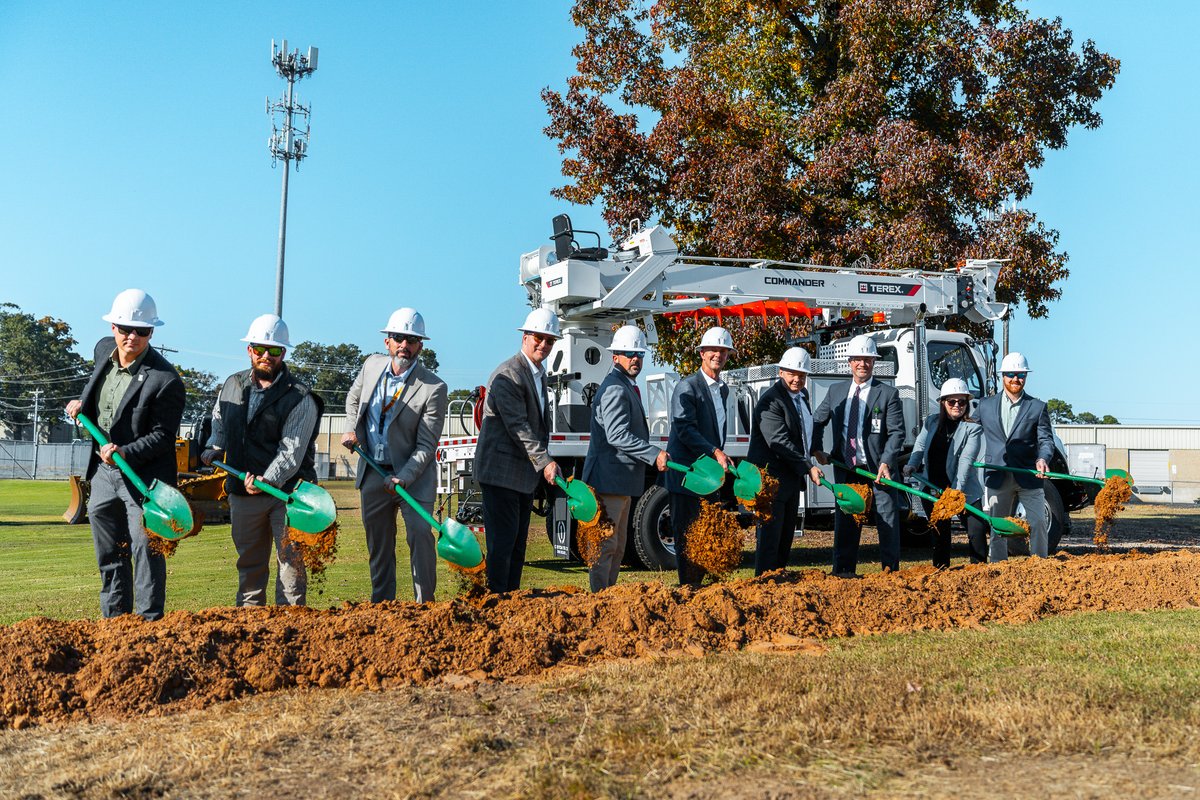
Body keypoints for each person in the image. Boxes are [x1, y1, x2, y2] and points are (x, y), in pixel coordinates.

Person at [66, 289, 185, 621]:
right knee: (110, 550)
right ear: (113, 326)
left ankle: (148, 625)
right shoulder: (104, 349)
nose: (132, 336)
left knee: (146, 549)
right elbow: (97, 391)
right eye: (124, 328)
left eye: (141, 331)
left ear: (152, 333)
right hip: (102, 475)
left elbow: (162, 437)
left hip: (143, 478)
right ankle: (115, 622)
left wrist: (124, 451)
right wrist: (81, 403)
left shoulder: (165, 380)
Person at [203, 314, 322, 607]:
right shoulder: (231, 385)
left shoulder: (300, 397)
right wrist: (213, 447)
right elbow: (220, 423)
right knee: (249, 566)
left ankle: (292, 633)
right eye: (259, 349)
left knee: (291, 567)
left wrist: (268, 481)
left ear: (284, 353)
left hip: (288, 493)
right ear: (249, 350)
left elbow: (291, 452)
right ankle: (250, 633)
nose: (266, 356)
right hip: (243, 492)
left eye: (275, 350)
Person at [341, 308, 448, 603]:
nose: (405, 345)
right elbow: (353, 398)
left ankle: (424, 607)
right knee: (379, 546)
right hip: (373, 471)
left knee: (419, 538)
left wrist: (404, 476)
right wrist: (351, 428)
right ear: (387, 341)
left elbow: (427, 445)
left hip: (413, 478)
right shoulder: (371, 366)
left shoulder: (434, 388)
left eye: (411, 340)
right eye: (399, 338)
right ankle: (383, 607)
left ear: (420, 346)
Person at [474, 307, 562, 593]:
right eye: (539, 337)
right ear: (525, 336)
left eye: (550, 340)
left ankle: (510, 601)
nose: (544, 345)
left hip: (520, 477)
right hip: (501, 475)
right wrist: (545, 462)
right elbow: (519, 427)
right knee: (502, 546)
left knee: (516, 547)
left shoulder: (537, 374)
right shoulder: (508, 374)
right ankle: (496, 604)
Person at [581, 325, 668, 591]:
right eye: (629, 354)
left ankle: (607, 599)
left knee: (616, 546)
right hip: (610, 481)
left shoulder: (623, 385)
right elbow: (617, 435)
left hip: (618, 481)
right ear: (615, 356)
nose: (635, 359)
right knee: (606, 545)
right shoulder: (616, 388)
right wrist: (654, 454)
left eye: (639, 354)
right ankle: (600, 600)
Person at [812, 334, 905, 576]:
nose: (862, 364)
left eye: (867, 359)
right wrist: (816, 449)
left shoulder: (887, 394)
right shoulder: (836, 392)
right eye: (857, 360)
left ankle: (890, 572)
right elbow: (817, 421)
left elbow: (897, 433)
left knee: (887, 521)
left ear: (874, 362)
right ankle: (843, 572)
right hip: (847, 468)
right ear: (850, 362)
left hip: (878, 470)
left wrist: (886, 461)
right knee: (846, 521)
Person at [746, 347, 824, 576]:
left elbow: (803, 431)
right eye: (792, 373)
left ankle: (779, 586)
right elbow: (779, 441)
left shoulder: (802, 397)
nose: (797, 379)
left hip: (790, 480)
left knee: (785, 538)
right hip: (771, 481)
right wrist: (808, 467)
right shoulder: (771, 401)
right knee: (770, 540)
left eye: (802, 375)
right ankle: (764, 585)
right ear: (781, 372)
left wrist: (814, 449)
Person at [666, 326, 734, 588]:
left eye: (723, 351)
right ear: (702, 353)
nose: (718, 355)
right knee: (687, 535)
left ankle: (701, 590)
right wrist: (716, 452)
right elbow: (684, 428)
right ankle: (687, 589)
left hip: (709, 476)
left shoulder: (723, 389)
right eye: (713, 350)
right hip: (689, 476)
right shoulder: (688, 386)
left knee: (706, 533)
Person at [977, 352, 1054, 560]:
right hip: (997, 474)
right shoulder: (985, 406)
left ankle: (1039, 564)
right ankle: (998, 567)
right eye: (1011, 374)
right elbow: (969, 433)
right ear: (1003, 376)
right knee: (997, 526)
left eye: (1020, 375)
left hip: (1028, 476)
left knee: (1038, 522)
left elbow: (1046, 440)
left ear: (1026, 377)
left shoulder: (1037, 407)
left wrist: (1042, 459)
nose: (1015, 379)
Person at [904, 378, 987, 567]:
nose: (957, 406)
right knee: (940, 534)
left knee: (977, 530)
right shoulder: (932, 422)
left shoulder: (973, 428)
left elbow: (966, 461)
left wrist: (956, 492)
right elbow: (921, 444)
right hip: (933, 489)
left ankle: (980, 571)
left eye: (962, 402)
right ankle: (941, 575)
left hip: (964, 490)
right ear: (943, 403)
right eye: (952, 401)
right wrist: (912, 464)